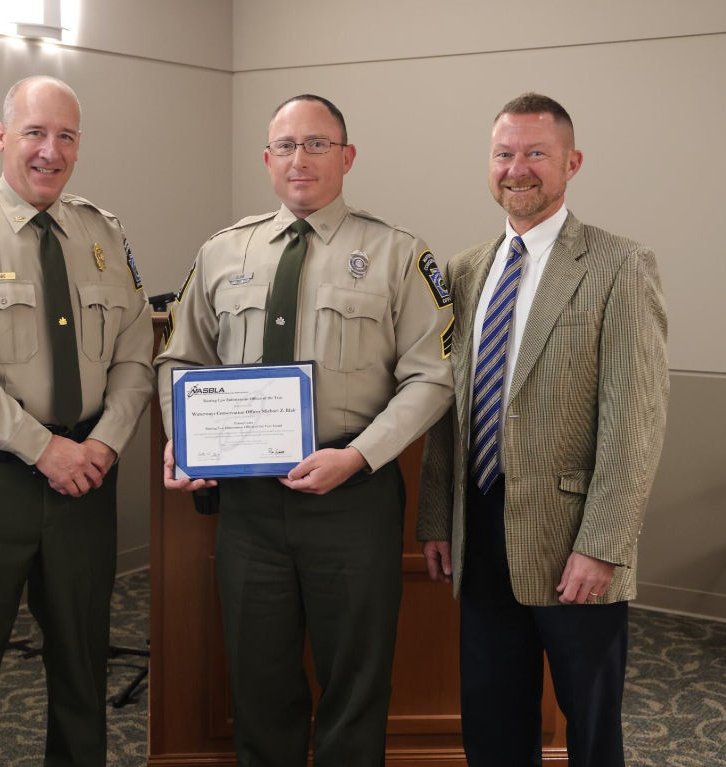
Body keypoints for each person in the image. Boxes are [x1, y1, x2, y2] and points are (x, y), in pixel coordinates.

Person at [154, 94, 454, 766]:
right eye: (286, 146)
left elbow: (434, 375)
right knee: (258, 681)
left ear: (347, 157)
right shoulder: (221, 252)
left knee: (355, 682)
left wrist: (360, 457)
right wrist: (185, 435)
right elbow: (179, 358)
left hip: (352, 498)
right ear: (267, 160)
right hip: (249, 508)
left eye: (318, 144)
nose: (300, 159)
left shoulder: (398, 255)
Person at [0, 75, 154, 766]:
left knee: (83, 659)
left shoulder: (104, 232)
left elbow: (137, 350)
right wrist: (46, 450)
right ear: (1, 136)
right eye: (35, 132)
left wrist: (103, 442)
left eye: (66, 135)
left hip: (86, 482)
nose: (51, 150)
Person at [417, 92, 669, 767]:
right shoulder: (465, 270)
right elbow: (449, 408)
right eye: (504, 154)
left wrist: (604, 543)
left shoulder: (620, 264)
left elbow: (634, 421)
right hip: (481, 535)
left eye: (535, 153)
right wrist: (438, 518)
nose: (517, 168)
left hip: (574, 546)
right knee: (494, 719)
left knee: (590, 729)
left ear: (571, 162)